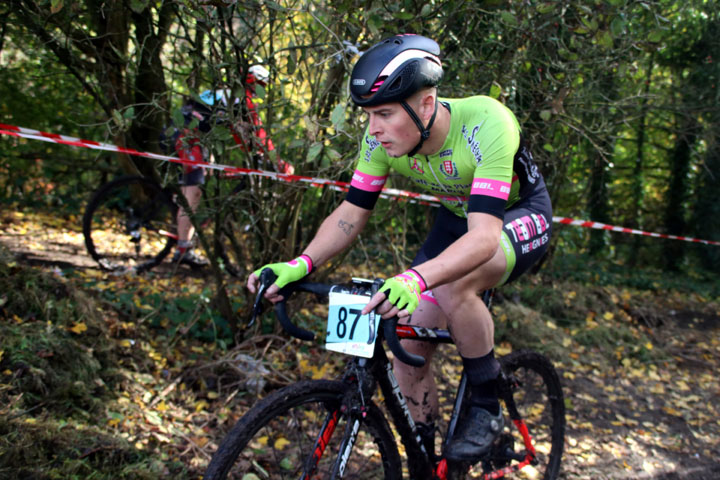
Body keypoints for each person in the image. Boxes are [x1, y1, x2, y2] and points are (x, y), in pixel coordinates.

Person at [246, 34, 552, 463]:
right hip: (456, 218)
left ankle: (485, 401)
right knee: (406, 344)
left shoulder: (486, 122)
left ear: (426, 105)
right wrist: (301, 263)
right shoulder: (379, 141)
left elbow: (483, 236)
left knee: (453, 284)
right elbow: (350, 213)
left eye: (385, 114)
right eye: (369, 115)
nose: (374, 128)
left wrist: (417, 276)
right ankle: (425, 459)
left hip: (515, 214)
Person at [172, 65, 294, 267]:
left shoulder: (231, 96)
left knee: (205, 177)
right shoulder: (240, 98)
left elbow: (246, 137)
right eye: (260, 85)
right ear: (252, 82)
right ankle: (182, 249)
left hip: (195, 137)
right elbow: (259, 135)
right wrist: (280, 164)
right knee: (193, 193)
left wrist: (259, 155)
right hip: (185, 137)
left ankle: (182, 225)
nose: (260, 91)